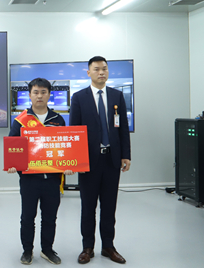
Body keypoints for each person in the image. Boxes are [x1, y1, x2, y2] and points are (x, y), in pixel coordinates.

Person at [70, 57, 131, 265]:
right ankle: (87, 247)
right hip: (88, 162)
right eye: (96, 69)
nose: (101, 72)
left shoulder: (117, 95)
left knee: (109, 206)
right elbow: (74, 131)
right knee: (88, 207)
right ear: (89, 73)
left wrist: (126, 154)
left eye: (104, 69)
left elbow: (123, 128)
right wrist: (76, 160)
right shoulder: (79, 97)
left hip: (112, 160)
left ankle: (108, 246)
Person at [8, 78, 74, 265]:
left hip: (52, 179)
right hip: (29, 179)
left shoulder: (58, 120)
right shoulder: (20, 121)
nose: (39, 96)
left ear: (49, 95)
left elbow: (64, 147)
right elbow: (12, 146)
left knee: (50, 217)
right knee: (27, 217)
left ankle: (47, 250)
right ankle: (27, 251)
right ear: (29, 95)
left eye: (43, 92)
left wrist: (68, 165)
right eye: (36, 92)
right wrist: (13, 165)